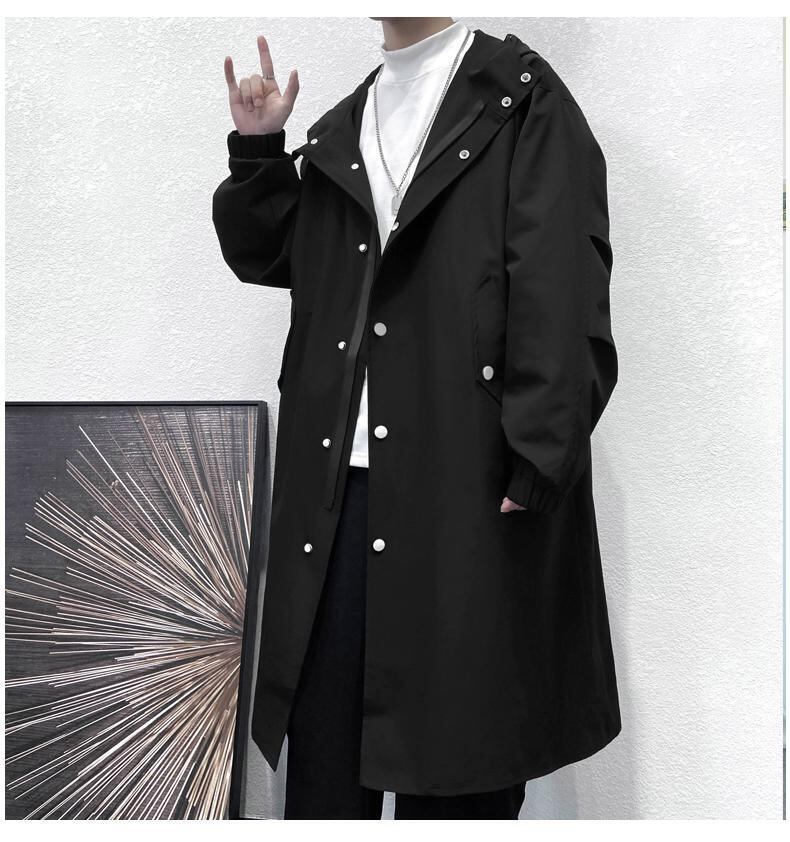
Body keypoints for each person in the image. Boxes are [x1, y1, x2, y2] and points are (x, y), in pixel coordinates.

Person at [213, 16, 621, 821]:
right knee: (326, 784)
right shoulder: (348, 121)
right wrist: (259, 152)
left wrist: (539, 454)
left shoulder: (522, 100)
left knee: (464, 777)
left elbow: (563, 279)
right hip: (336, 505)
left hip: (465, 497)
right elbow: (277, 256)